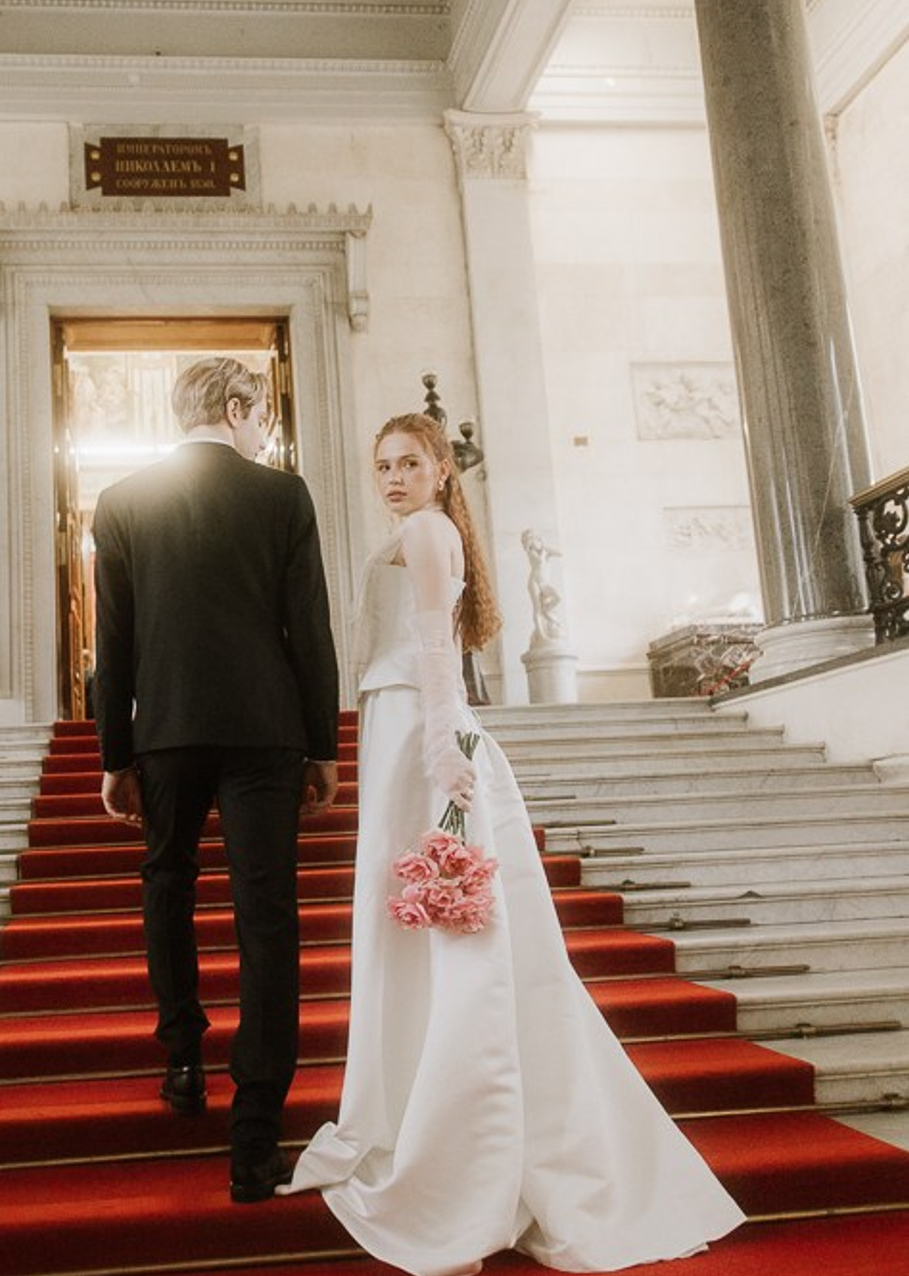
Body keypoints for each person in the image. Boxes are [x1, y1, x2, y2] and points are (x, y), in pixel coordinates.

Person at [281, 413, 744, 1272]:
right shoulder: (427, 530)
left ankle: (458, 1136)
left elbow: (432, 644)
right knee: (427, 925)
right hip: (400, 723)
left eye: (409, 463)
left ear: (441, 469)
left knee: (445, 926)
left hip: (416, 729)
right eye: (382, 465)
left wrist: (439, 745)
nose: (392, 478)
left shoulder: (427, 531)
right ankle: (429, 1104)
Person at [91, 356, 341, 1205]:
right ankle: (255, 1141)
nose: (264, 431)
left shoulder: (123, 501)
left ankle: (184, 1059)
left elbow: (113, 642)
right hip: (265, 730)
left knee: (167, 883)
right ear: (236, 408)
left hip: (165, 731)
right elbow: (308, 627)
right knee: (267, 917)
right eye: (261, 415)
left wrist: (115, 754)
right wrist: (321, 744)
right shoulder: (283, 496)